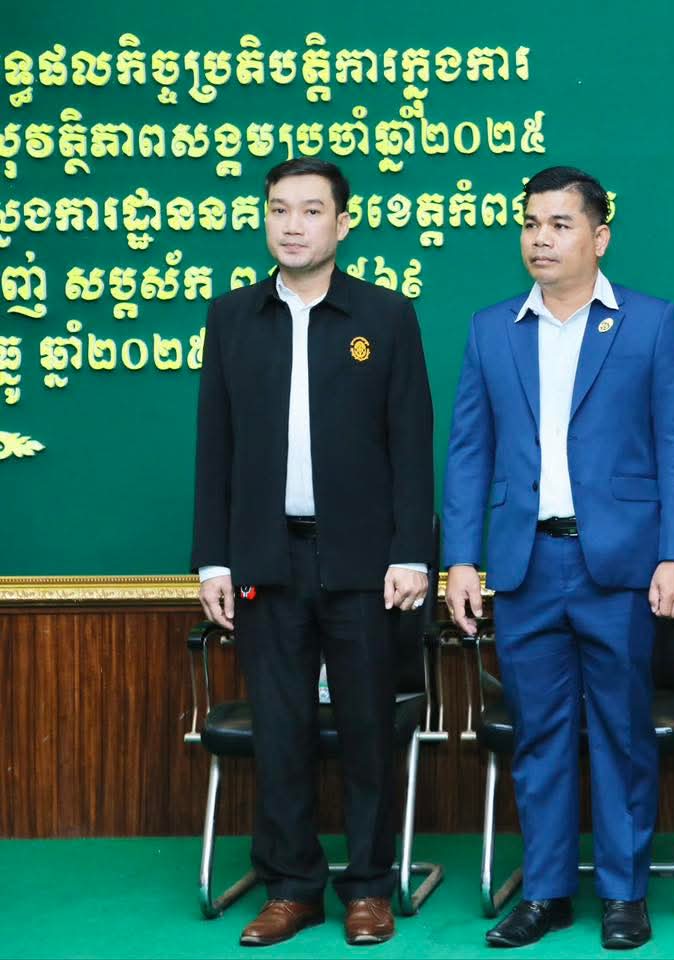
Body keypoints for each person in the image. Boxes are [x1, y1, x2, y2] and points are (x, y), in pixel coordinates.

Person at [443, 165, 674, 950]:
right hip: (525, 564)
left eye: (560, 224)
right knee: (540, 736)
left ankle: (624, 895)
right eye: (531, 224)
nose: (541, 238)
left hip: (619, 567)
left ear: (600, 236)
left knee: (622, 731)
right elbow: (468, 451)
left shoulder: (650, 324)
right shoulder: (492, 329)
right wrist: (462, 559)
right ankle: (548, 892)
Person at [191, 157, 434, 947]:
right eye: (279, 210)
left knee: (366, 730)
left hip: (364, 563)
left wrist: (411, 552)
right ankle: (292, 886)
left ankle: (367, 887)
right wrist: (213, 560)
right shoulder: (233, 317)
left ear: (343, 223)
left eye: (310, 210)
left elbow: (411, 444)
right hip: (266, 559)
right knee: (280, 730)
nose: (292, 225)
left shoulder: (386, 315)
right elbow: (215, 446)